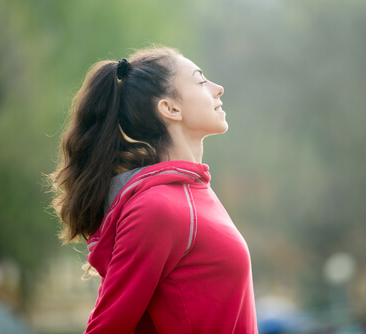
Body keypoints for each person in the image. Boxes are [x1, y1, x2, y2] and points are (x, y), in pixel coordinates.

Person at [49, 46, 258, 333]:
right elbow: (107, 326)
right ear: (170, 108)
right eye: (200, 81)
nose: (218, 88)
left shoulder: (192, 191)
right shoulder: (158, 207)